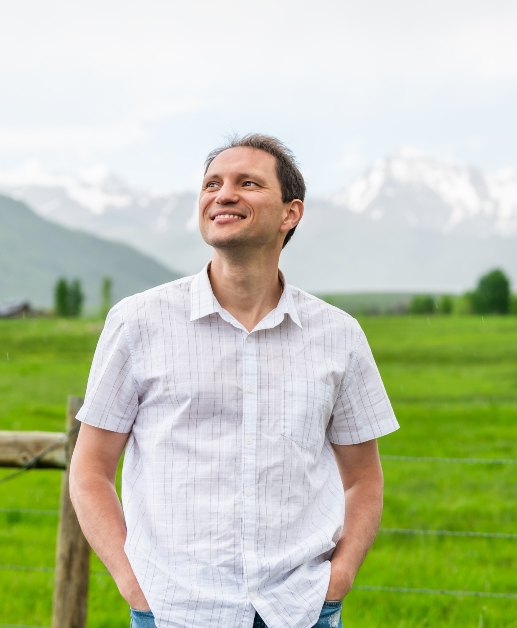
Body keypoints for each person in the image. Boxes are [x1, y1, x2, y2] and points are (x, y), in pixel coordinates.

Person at [69, 134, 398, 628]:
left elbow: (364, 479)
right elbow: (90, 469)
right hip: (175, 612)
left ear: (290, 213)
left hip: (301, 610)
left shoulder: (338, 334)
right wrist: (135, 585)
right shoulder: (138, 322)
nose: (223, 194)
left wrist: (340, 577)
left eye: (248, 183)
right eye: (212, 184)